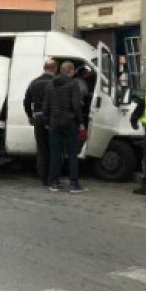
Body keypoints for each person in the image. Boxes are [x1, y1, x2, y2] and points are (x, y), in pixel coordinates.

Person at [43, 61, 85, 193]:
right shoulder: (73, 84)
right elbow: (76, 105)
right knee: (72, 153)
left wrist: (46, 120)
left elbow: (46, 105)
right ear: (71, 71)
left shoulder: (51, 84)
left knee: (55, 153)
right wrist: (81, 122)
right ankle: (73, 184)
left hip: (54, 122)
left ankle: (54, 182)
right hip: (70, 122)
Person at [23, 58, 57, 186]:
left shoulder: (33, 83)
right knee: (53, 147)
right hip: (52, 118)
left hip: (38, 117)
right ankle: (52, 177)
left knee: (42, 148)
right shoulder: (55, 83)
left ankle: (43, 177)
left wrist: (30, 116)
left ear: (44, 68)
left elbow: (26, 101)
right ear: (54, 69)